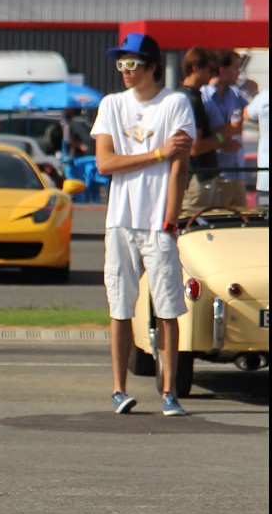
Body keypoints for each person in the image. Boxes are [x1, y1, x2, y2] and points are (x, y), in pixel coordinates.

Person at [91, 33, 195, 417]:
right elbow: (105, 163)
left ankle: (170, 392)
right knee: (120, 305)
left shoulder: (175, 103)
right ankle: (119, 390)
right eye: (120, 64)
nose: (125, 72)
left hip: (159, 223)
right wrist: (156, 153)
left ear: (152, 66)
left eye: (131, 64)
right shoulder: (111, 105)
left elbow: (180, 164)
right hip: (121, 219)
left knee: (167, 307)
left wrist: (171, 216)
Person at [176, 47, 233, 215]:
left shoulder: (189, 96)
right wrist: (224, 135)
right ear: (196, 68)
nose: (213, 74)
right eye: (211, 70)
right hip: (198, 178)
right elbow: (195, 147)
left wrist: (226, 129)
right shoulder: (190, 99)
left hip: (199, 177)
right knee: (194, 226)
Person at [202, 50, 249, 208]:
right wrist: (224, 138)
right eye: (235, 68)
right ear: (222, 70)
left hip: (238, 175)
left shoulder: (235, 94)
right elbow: (202, 137)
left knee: (242, 225)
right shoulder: (204, 96)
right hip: (218, 177)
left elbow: (249, 114)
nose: (238, 73)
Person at [247, 84, 269, 213]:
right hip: (265, 185)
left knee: (264, 227)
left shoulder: (264, 97)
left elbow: (246, 114)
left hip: (266, 184)